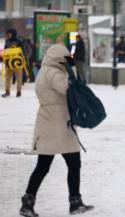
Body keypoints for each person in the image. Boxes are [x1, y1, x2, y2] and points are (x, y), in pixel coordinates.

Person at [19, 44, 94, 217]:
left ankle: (28, 202)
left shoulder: (45, 71)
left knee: (44, 166)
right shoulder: (54, 73)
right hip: (58, 125)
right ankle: (74, 202)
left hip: (50, 123)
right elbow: (67, 88)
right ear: (59, 59)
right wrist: (70, 73)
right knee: (72, 164)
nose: (68, 62)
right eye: (66, 60)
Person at [1, 28, 24, 98]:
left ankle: (18, 91)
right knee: (7, 78)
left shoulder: (19, 42)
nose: (8, 35)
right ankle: (7, 91)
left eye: (10, 33)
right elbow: (5, 50)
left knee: (18, 78)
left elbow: (23, 51)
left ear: (13, 33)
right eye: (8, 33)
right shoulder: (7, 41)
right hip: (8, 62)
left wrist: (22, 58)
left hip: (17, 61)